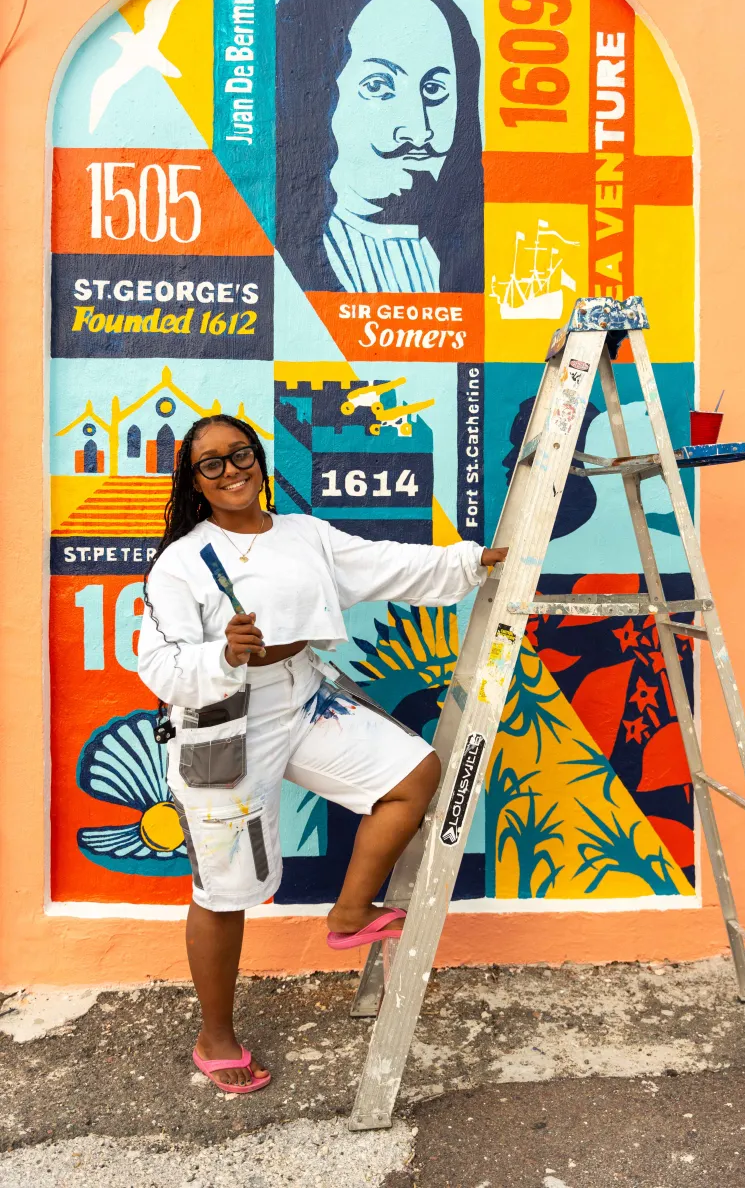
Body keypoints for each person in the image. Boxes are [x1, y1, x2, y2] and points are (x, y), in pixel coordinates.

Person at [138, 413, 506, 1094]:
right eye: (210, 464)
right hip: (223, 725)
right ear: (193, 483)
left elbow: (381, 562)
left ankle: (348, 914)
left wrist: (466, 560)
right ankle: (213, 1035)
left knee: (411, 775)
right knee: (224, 892)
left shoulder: (303, 534)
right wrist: (224, 654)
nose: (230, 471)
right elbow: (158, 665)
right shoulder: (182, 561)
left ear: (259, 458)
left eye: (239, 454)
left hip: (303, 697)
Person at [275, 0, 484, 294]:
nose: (418, 131)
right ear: (315, 99)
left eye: (434, 90)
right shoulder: (287, 269)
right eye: (378, 87)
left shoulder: (455, 261)